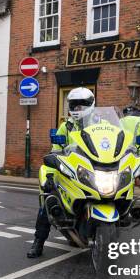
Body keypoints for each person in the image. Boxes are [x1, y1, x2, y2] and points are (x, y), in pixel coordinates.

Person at [27, 87, 95, 259]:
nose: (78, 109)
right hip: (70, 172)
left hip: (94, 172)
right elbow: (55, 151)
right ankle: (38, 242)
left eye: (82, 105)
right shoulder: (66, 126)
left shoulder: (102, 125)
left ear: (91, 105)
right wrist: (50, 175)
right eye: (74, 105)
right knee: (49, 201)